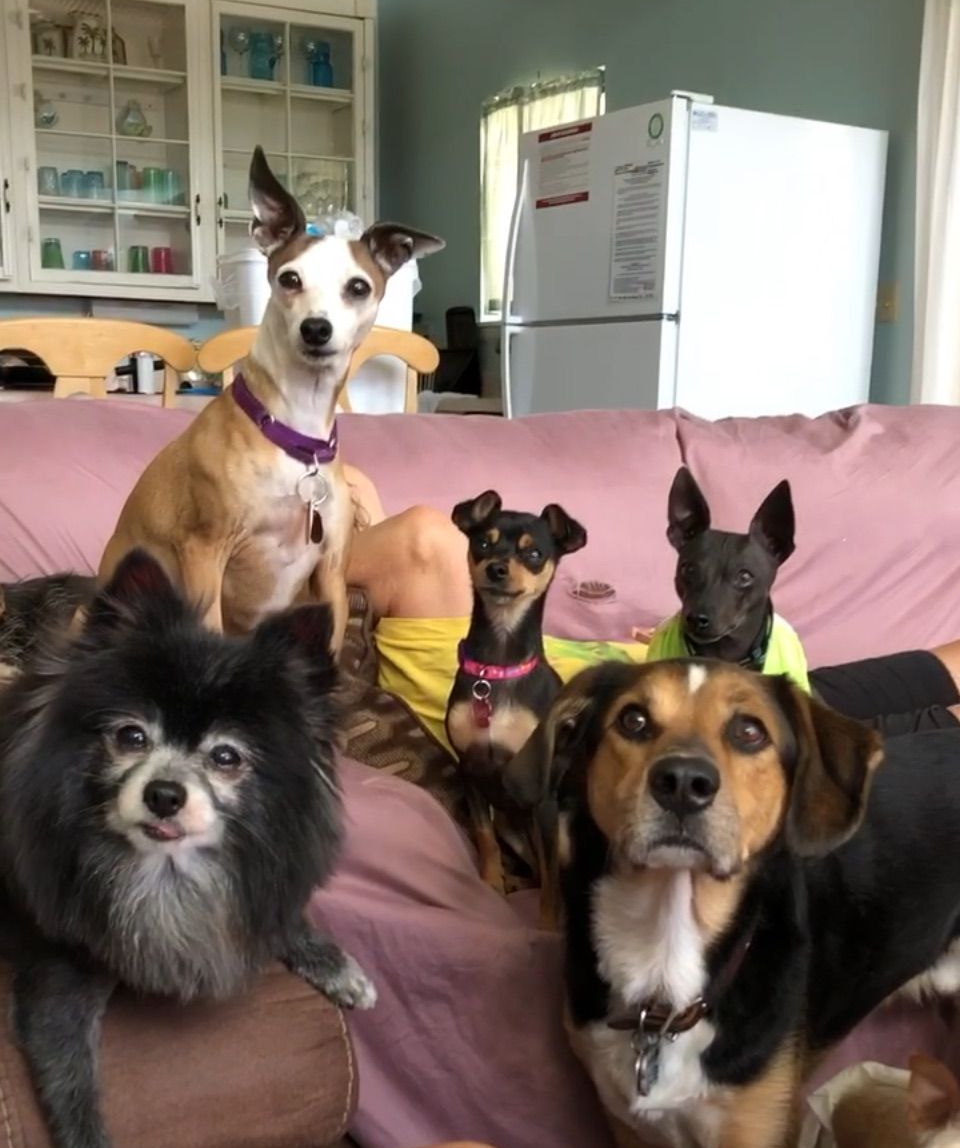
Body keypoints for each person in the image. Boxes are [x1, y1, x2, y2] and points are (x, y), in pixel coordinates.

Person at [341, 469, 960, 749]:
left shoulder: (456, 564)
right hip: (702, 712)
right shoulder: (417, 549)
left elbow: (356, 492)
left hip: (689, 661)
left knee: (927, 666)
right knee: (921, 728)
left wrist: (658, 640)